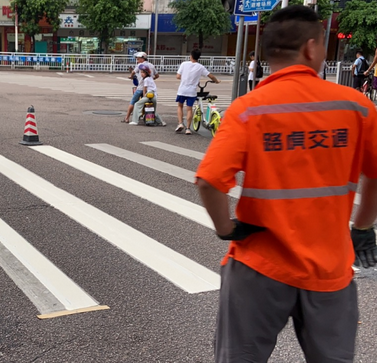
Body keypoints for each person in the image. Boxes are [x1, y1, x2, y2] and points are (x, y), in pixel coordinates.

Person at [195, 6, 377, 362]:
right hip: (330, 271)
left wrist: (227, 229)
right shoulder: (356, 107)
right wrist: (363, 228)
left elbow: (209, 181)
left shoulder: (249, 109)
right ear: (311, 49)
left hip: (259, 266)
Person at [174, 49, 220, 135]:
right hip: (192, 92)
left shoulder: (184, 64)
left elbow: (178, 76)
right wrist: (216, 81)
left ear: (190, 56)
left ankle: (180, 123)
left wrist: (185, 78)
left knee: (180, 106)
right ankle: (188, 128)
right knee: (189, 109)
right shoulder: (200, 67)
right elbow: (211, 76)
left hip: (182, 90)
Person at [122, 52, 159, 123]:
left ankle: (127, 118)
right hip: (149, 90)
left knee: (133, 102)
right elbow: (157, 75)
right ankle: (148, 117)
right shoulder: (151, 65)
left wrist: (131, 76)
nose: (137, 60)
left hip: (140, 88)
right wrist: (151, 79)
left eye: (138, 59)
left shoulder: (140, 65)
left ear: (143, 58)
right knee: (147, 102)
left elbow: (133, 72)